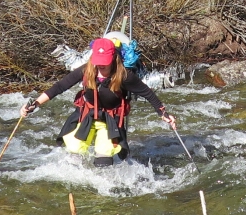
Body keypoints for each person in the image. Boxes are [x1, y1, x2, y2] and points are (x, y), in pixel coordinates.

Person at [19, 37, 176, 167]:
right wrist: (35, 104)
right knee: (72, 155)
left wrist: (163, 113)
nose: (100, 66)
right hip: (87, 115)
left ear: (113, 59)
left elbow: (147, 93)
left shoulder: (125, 76)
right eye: (98, 61)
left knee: (103, 161)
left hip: (110, 120)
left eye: (104, 63)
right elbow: (60, 87)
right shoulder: (87, 69)